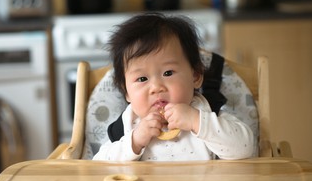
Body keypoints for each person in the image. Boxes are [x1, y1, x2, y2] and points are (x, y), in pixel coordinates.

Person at [92, 12, 254, 161]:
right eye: (142, 78)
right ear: (127, 92)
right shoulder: (129, 124)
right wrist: (135, 141)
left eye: (168, 73)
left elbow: (245, 149)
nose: (156, 87)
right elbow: (99, 164)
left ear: (195, 76)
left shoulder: (206, 112)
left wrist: (196, 121)